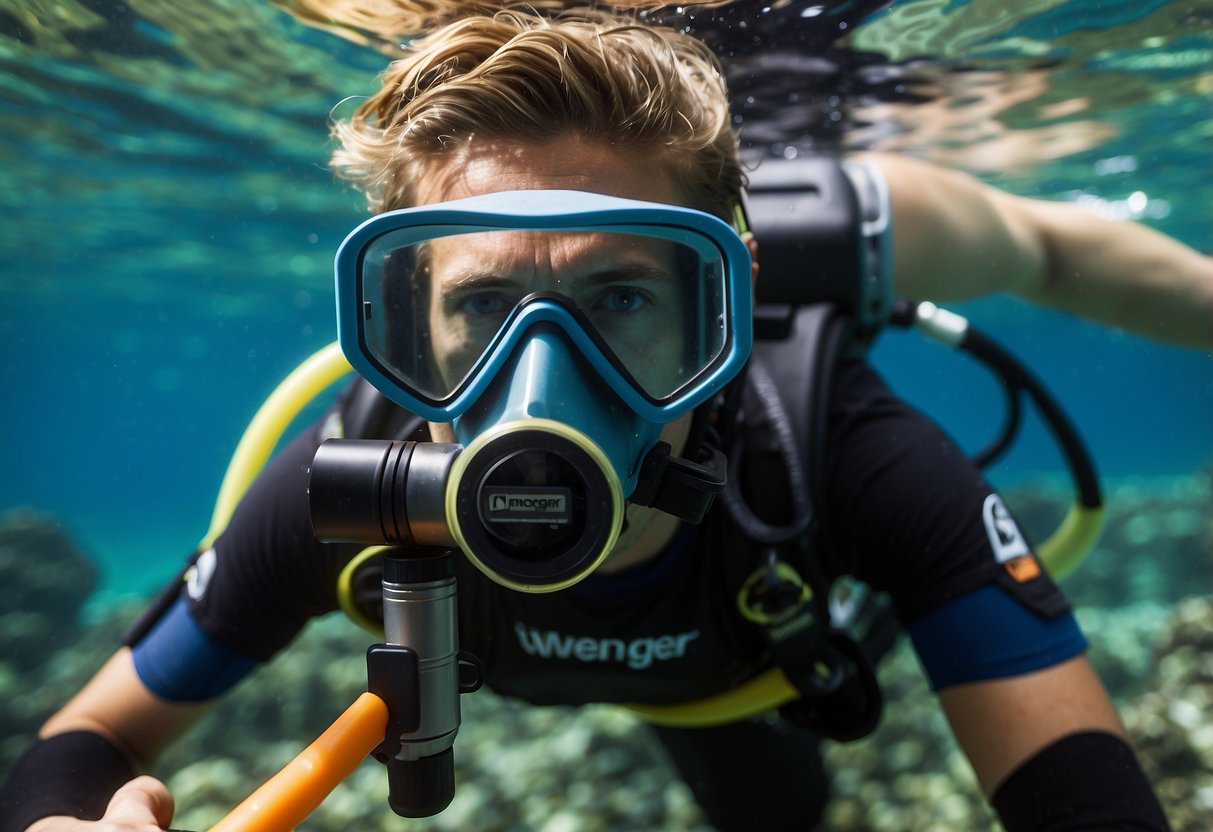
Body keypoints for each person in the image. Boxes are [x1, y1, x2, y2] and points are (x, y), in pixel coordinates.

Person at [3, 9, 1210, 832]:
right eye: (481, 302)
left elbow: (1082, 794)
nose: (547, 375)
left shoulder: (837, 452)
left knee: (780, 816)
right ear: (409, 321)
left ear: (722, 302)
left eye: (619, 296)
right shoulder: (345, 479)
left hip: (734, 672)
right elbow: (89, 738)